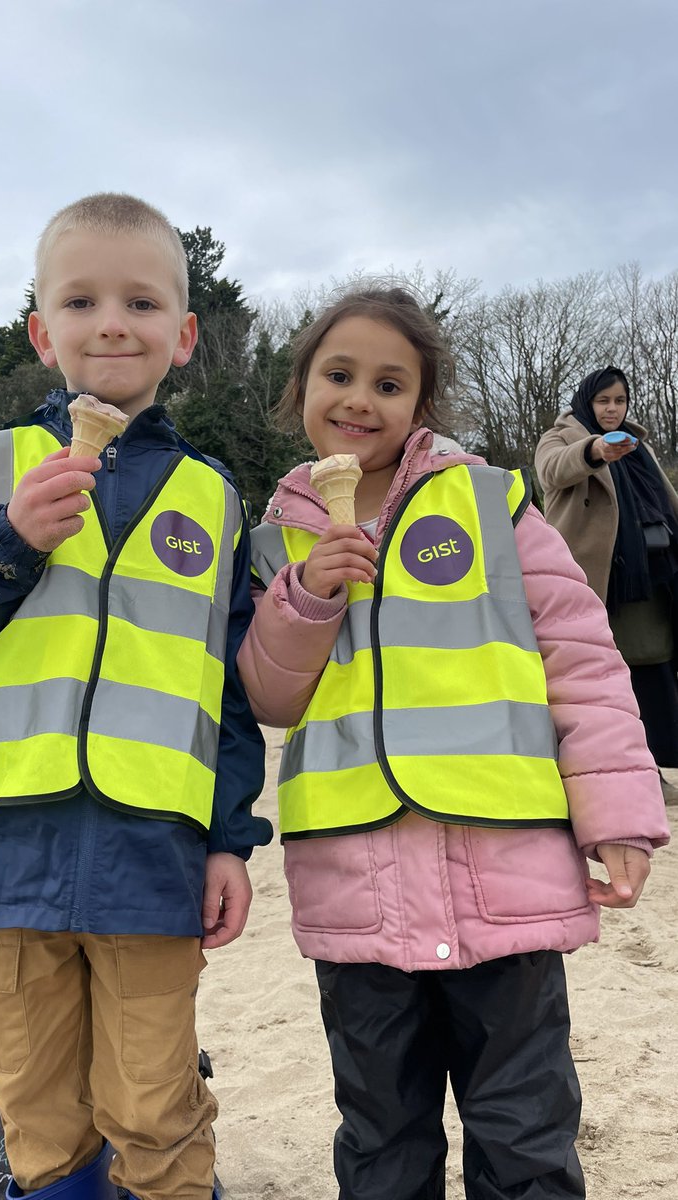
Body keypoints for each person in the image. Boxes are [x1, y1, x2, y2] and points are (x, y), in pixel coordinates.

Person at [236, 286, 670, 1200]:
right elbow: (269, 698)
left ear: (422, 406)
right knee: (382, 1138)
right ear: (301, 388)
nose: (361, 399)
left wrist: (618, 813)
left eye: (390, 383)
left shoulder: (496, 505)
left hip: (507, 882)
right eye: (339, 374)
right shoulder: (276, 536)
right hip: (357, 897)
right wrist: (307, 599)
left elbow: (584, 662)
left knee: (525, 1134)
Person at [0, 193, 270, 1200]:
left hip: (154, 858)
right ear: (40, 330)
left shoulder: (216, 498)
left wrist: (230, 836)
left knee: (158, 1111)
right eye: (82, 299)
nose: (111, 323)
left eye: (142, 302)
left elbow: (224, 694)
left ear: (183, 336)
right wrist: (5, 539)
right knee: (38, 1126)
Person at [536, 367, 678, 799]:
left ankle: (652, 762)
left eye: (619, 401)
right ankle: (619, 768)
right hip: (596, 580)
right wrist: (594, 450)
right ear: (587, 402)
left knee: (656, 667)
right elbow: (552, 472)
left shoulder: (639, 446)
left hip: (654, 577)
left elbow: (665, 498)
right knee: (600, 677)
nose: (612, 409)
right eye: (604, 401)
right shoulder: (559, 438)